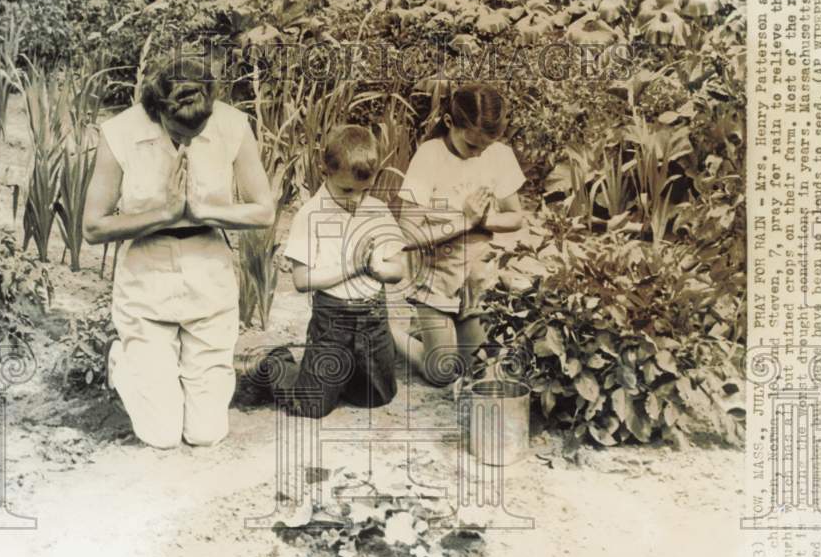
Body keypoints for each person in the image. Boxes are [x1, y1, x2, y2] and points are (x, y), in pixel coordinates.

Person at [82, 57, 274, 448]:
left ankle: (177, 380)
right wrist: (163, 214)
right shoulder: (119, 132)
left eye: (196, 133)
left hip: (209, 268)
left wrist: (207, 212)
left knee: (205, 434)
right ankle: (122, 358)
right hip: (146, 273)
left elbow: (264, 211)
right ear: (156, 113)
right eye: (177, 132)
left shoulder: (232, 124)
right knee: (161, 436)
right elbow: (93, 226)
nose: (186, 144)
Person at [392, 83, 526, 388]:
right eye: (471, 146)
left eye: (485, 147)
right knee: (442, 373)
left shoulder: (499, 155)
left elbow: (515, 216)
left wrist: (484, 219)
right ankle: (386, 332)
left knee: (477, 371)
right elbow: (407, 234)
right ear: (450, 123)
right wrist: (463, 221)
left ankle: (427, 331)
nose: (478, 153)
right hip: (436, 278)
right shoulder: (430, 156)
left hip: (476, 278)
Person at [278, 125, 405, 418]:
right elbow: (301, 280)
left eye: (365, 190)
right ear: (326, 171)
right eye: (347, 189)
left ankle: (340, 378)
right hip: (333, 319)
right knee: (311, 407)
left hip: (374, 317)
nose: (356, 200)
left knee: (378, 398)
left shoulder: (377, 210)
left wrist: (379, 269)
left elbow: (398, 269)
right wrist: (353, 267)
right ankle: (278, 364)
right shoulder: (311, 215)